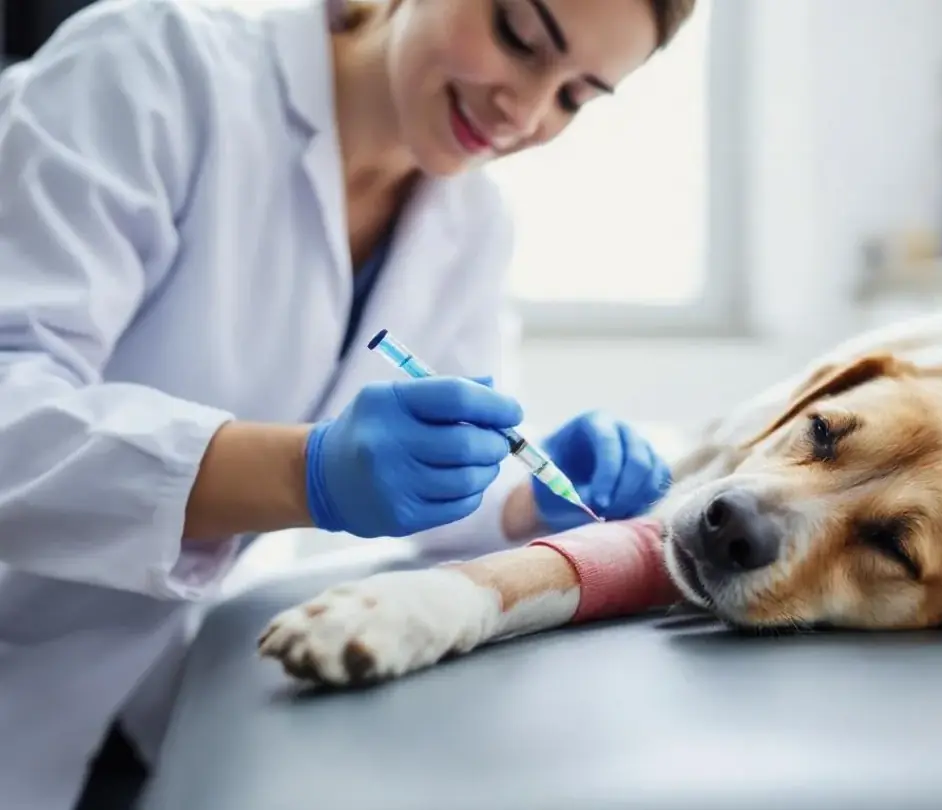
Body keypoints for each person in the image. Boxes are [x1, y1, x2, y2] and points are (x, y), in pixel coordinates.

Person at [0, 0, 697, 807]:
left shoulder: (468, 224)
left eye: (576, 96)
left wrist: (522, 502)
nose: (527, 109)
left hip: (163, 710)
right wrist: (307, 473)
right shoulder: (150, 69)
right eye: (520, 36)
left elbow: (434, 475)